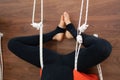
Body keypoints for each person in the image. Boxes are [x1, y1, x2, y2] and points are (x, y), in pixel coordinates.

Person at [8, 12, 112, 80]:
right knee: (104, 48)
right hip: (71, 68)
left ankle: (55, 34)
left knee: (13, 44)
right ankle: (72, 32)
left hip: (48, 66)